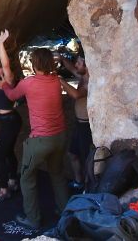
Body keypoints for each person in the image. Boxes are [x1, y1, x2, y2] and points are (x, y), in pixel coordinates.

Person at [0, 30, 69, 230]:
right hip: (60, 136)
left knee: (27, 179)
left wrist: (3, 84)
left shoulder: (29, 83)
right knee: (57, 174)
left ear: (34, 63)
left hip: (39, 141)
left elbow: (12, 95)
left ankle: (34, 219)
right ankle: (65, 213)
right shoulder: (56, 81)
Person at [0, 54, 22, 203]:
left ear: (1, 66)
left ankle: (4, 189)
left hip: (10, 121)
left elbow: (6, 65)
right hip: (8, 121)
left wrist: (1, 43)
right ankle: (13, 181)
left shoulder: (9, 78)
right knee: (8, 152)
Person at [59, 54, 92, 188]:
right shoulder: (82, 76)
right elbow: (72, 68)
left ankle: (89, 187)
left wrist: (61, 81)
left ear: (87, 65)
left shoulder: (90, 81)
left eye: (79, 63)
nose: (76, 65)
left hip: (86, 127)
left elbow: (76, 94)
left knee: (87, 159)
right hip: (79, 124)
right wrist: (61, 58)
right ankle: (79, 181)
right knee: (72, 154)